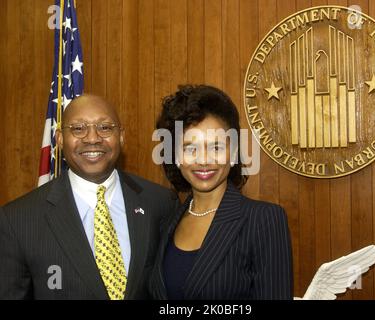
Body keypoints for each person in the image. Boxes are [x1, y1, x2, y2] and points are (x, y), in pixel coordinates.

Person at [0, 94, 179, 300]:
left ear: (121, 136)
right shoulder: (17, 220)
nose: (93, 138)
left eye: (105, 128)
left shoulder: (161, 202)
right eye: (78, 128)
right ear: (59, 138)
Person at [150, 85, 293, 300]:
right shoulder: (166, 222)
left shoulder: (263, 220)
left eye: (216, 147)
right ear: (176, 157)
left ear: (233, 152)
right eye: (190, 148)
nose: (204, 160)